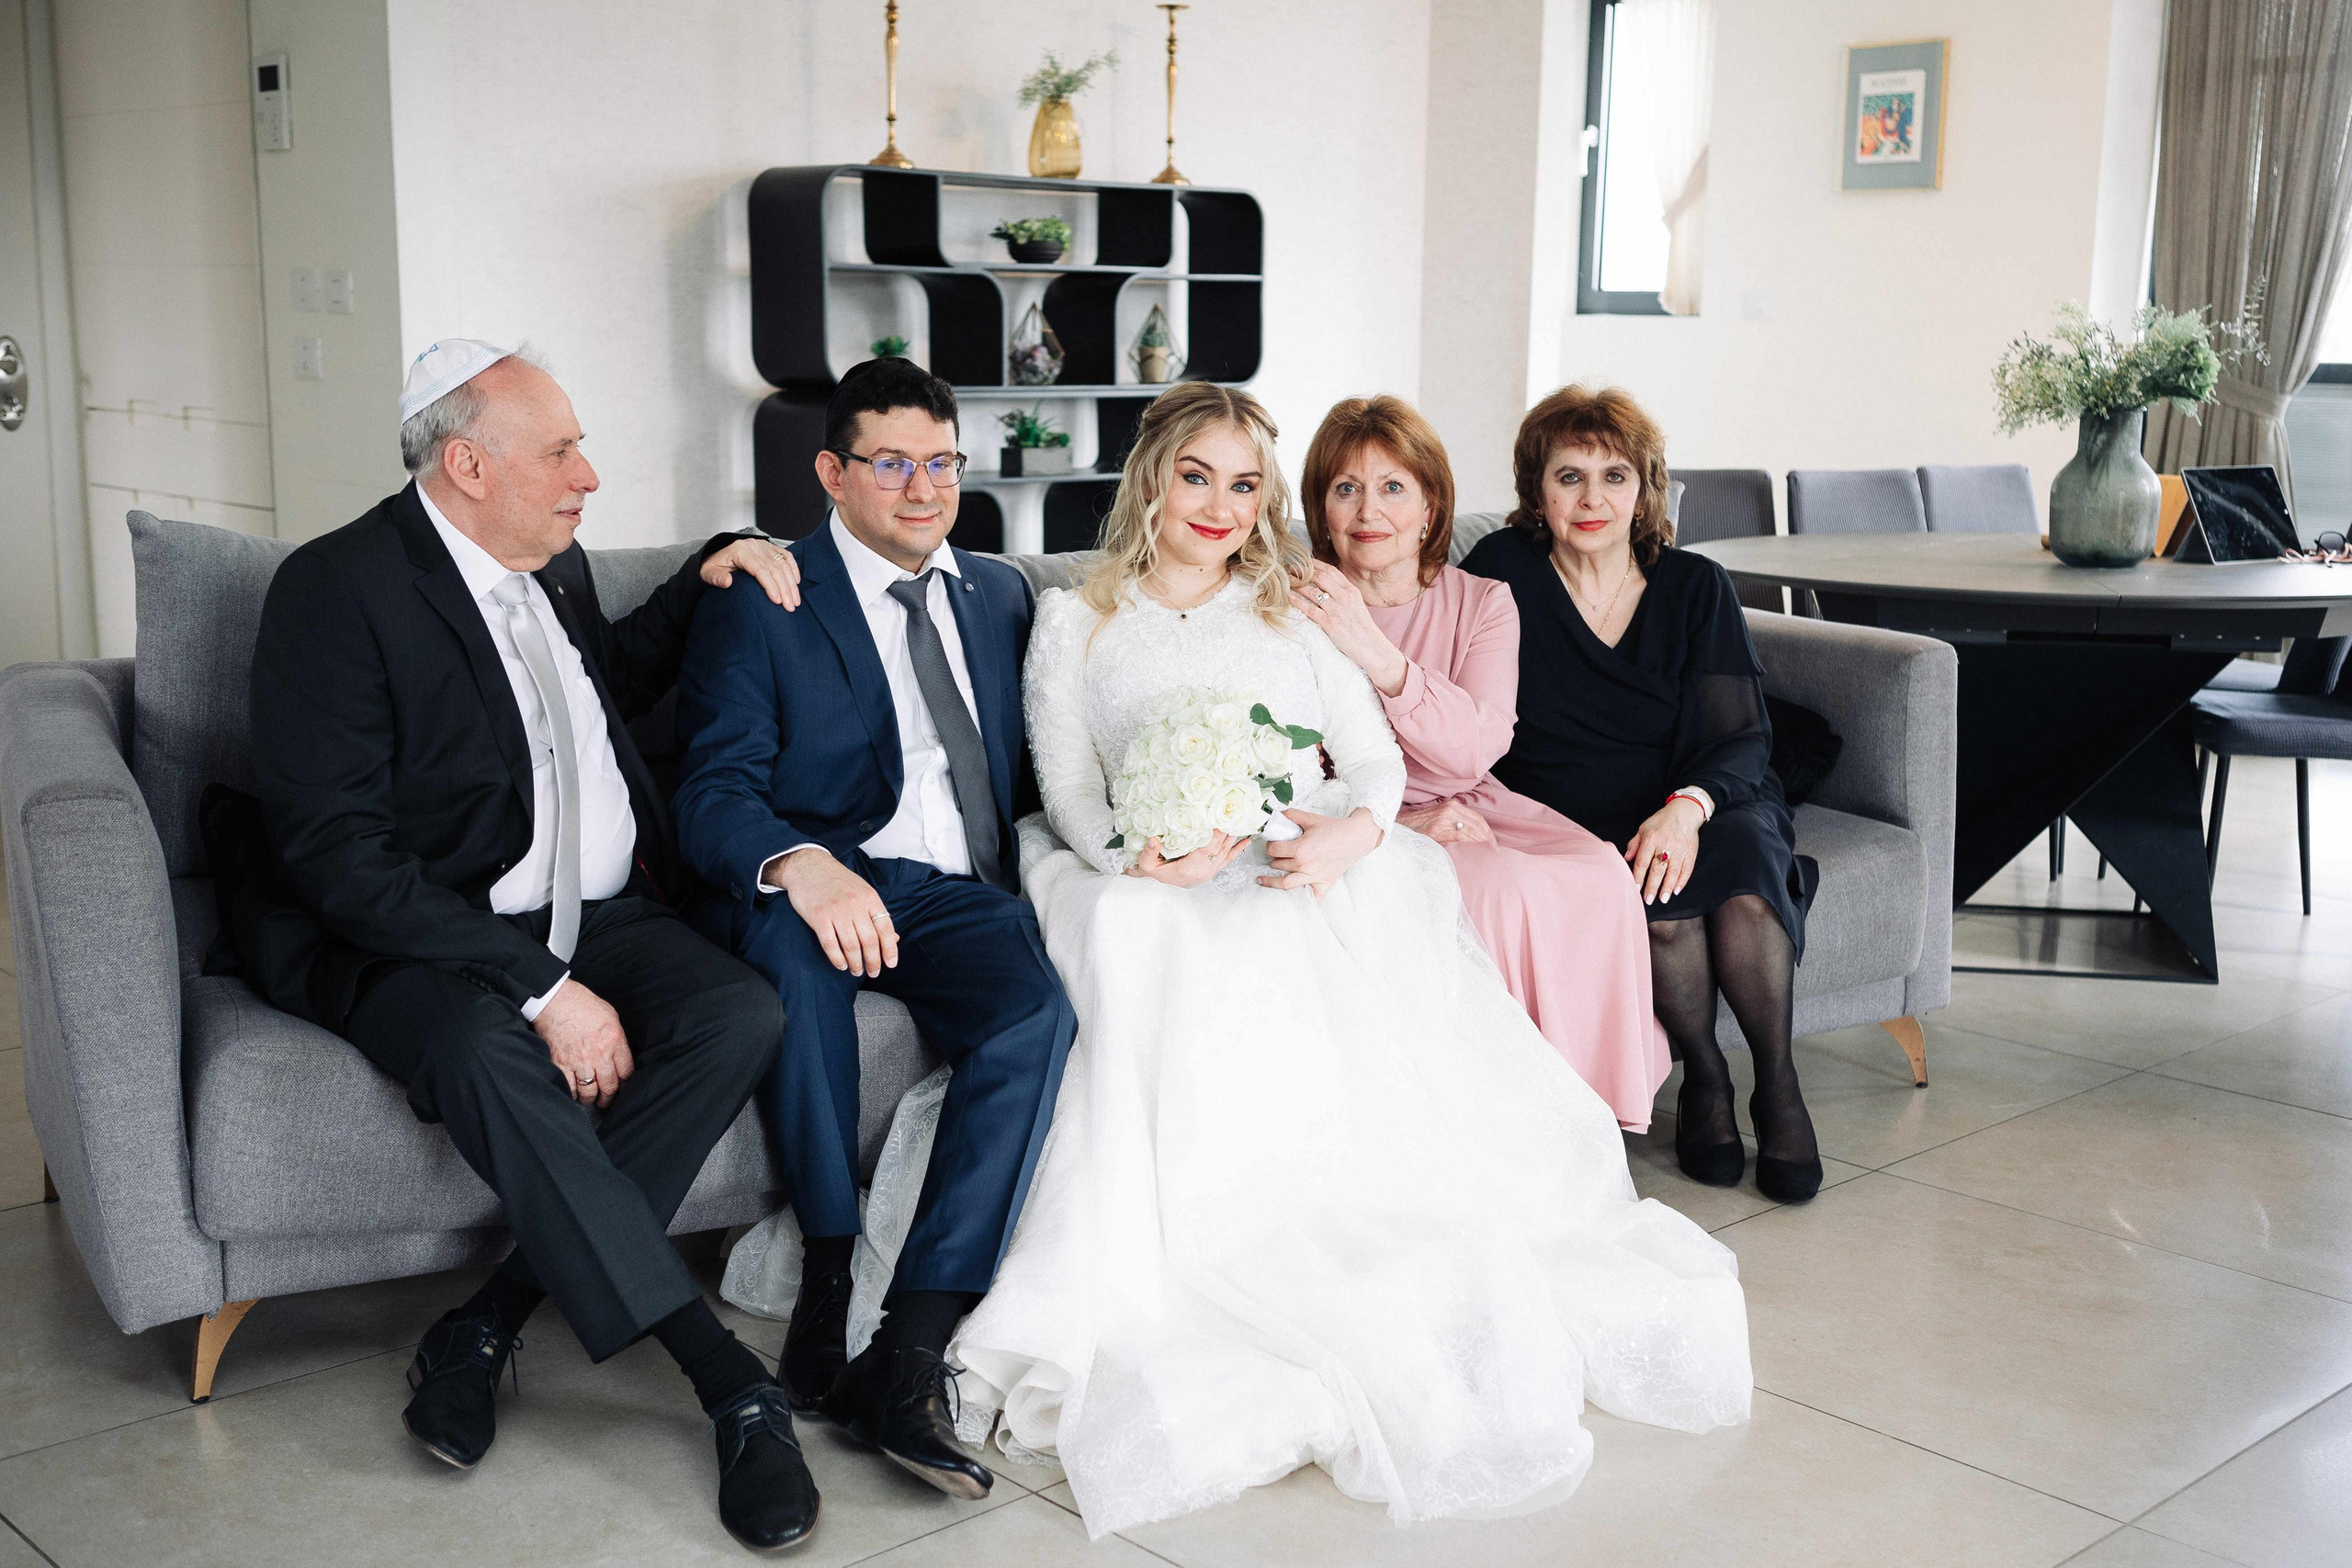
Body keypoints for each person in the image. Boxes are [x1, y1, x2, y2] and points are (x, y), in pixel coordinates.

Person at [901, 381, 1750, 1540]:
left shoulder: (1294, 604)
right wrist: (1136, 854)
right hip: (1144, 870)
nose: (1218, 505)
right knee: (1135, 930)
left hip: (1294, 855)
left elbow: (1372, 763)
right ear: (1152, 479)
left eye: (1243, 484)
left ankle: (1335, 1217)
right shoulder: (1074, 617)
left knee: (1325, 913)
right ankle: (1184, 1233)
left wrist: (1352, 836)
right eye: (1196, 477)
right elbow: (1070, 787)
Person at [245, 339, 821, 1551]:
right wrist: (544, 987)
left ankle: (487, 1323)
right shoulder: (335, 590)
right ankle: (730, 1382)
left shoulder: (548, 561)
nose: (588, 477)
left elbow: (599, 685)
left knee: (739, 1010)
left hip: (601, 909)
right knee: (481, 1044)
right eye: (560, 452)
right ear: (467, 464)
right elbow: (337, 855)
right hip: (417, 936)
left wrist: (709, 569)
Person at [671, 357, 1077, 1504]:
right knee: (795, 965)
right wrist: (804, 865)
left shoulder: (1001, 595)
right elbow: (711, 790)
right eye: (891, 463)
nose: (922, 488)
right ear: (831, 473)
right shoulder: (769, 592)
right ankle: (827, 1271)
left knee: (1033, 1015)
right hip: (824, 868)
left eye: (941, 462)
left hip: (961, 894)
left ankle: (910, 1347)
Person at [1461, 384, 1824, 1203]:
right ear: (1537, 491)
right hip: (1572, 814)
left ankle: (1779, 1083)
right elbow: (1454, 688)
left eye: (1614, 476)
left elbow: (1742, 736)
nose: (1593, 498)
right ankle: (1706, 1077)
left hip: (1702, 796)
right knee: (1656, 902)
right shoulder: (1501, 572)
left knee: (1747, 885)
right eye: (1570, 476)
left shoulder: (1695, 585)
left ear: (1645, 489)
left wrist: (1686, 809)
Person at [1293, 394, 1670, 1129]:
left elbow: (1477, 744)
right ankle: (1512, 1120)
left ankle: (1589, 1113)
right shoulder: (1299, 601)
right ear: (1322, 509)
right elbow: (1300, 764)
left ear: (1429, 508)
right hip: (1363, 817)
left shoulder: (1484, 600)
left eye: (1394, 487)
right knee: (1497, 889)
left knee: (1599, 870)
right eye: (1346, 488)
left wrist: (1377, 654)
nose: (1370, 511)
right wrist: (1400, 822)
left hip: (1475, 798)